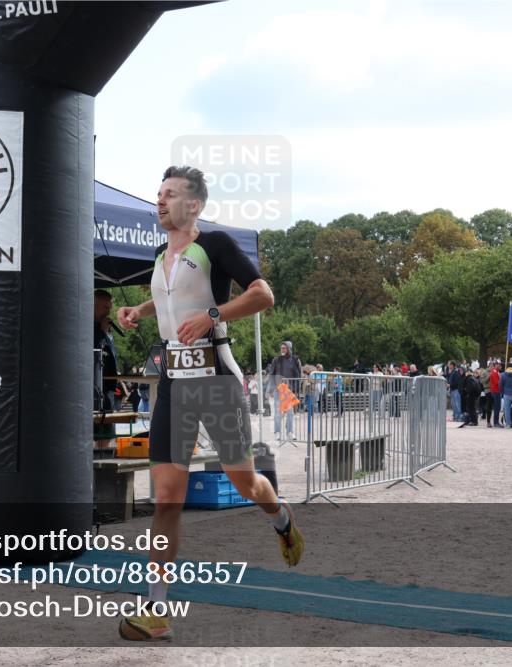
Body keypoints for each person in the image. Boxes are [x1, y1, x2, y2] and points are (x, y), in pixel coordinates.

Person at [115, 165, 303, 641]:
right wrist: (138, 310)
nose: (159, 202)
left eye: (170, 195)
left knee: (244, 481)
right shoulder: (160, 255)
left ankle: (280, 516)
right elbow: (172, 300)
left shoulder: (215, 244)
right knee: (166, 500)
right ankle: (157, 612)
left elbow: (264, 294)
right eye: (157, 195)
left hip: (215, 379)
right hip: (174, 385)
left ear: (193, 204)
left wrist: (212, 315)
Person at [93, 290, 119, 449]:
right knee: (96, 431)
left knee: (107, 432)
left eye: (109, 308)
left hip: (107, 388)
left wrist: (106, 333)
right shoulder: (87, 327)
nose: (108, 312)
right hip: (94, 388)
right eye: (104, 307)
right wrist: (102, 332)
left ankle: (102, 459)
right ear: (94, 306)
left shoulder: (104, 329)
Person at [266, 341, 302, 438]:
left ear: (289, 349)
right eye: (281, 348)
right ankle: (277, 432)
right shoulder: (276, 360)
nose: (282, 349)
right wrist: (272, 389)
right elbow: (271, 375)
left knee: (290, 413)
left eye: (284, 348)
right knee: (278, 413)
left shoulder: (295, 360)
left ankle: (290, 432)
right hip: (278, 390)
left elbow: (299, 375)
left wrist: (296, 390)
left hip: (290, 390)